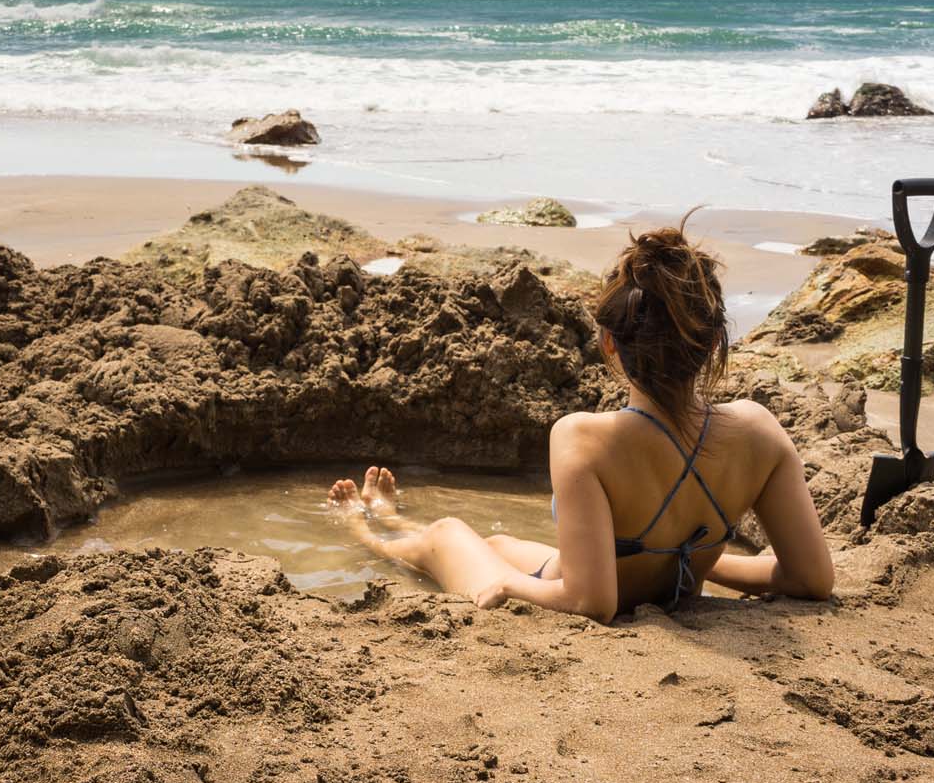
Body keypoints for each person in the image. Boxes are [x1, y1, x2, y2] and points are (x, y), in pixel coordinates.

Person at [332, 220, 834, 623]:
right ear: (713, 342)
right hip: (658, 585)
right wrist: (699, 559)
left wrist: (507, 583)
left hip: (569, 590)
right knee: (497, 544)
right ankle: (396, 521)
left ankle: (366, 531)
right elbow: (812, 579)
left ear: (609, 343)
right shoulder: (758, 430)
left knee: (447, 533)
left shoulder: (584, 437)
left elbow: (591, 601)